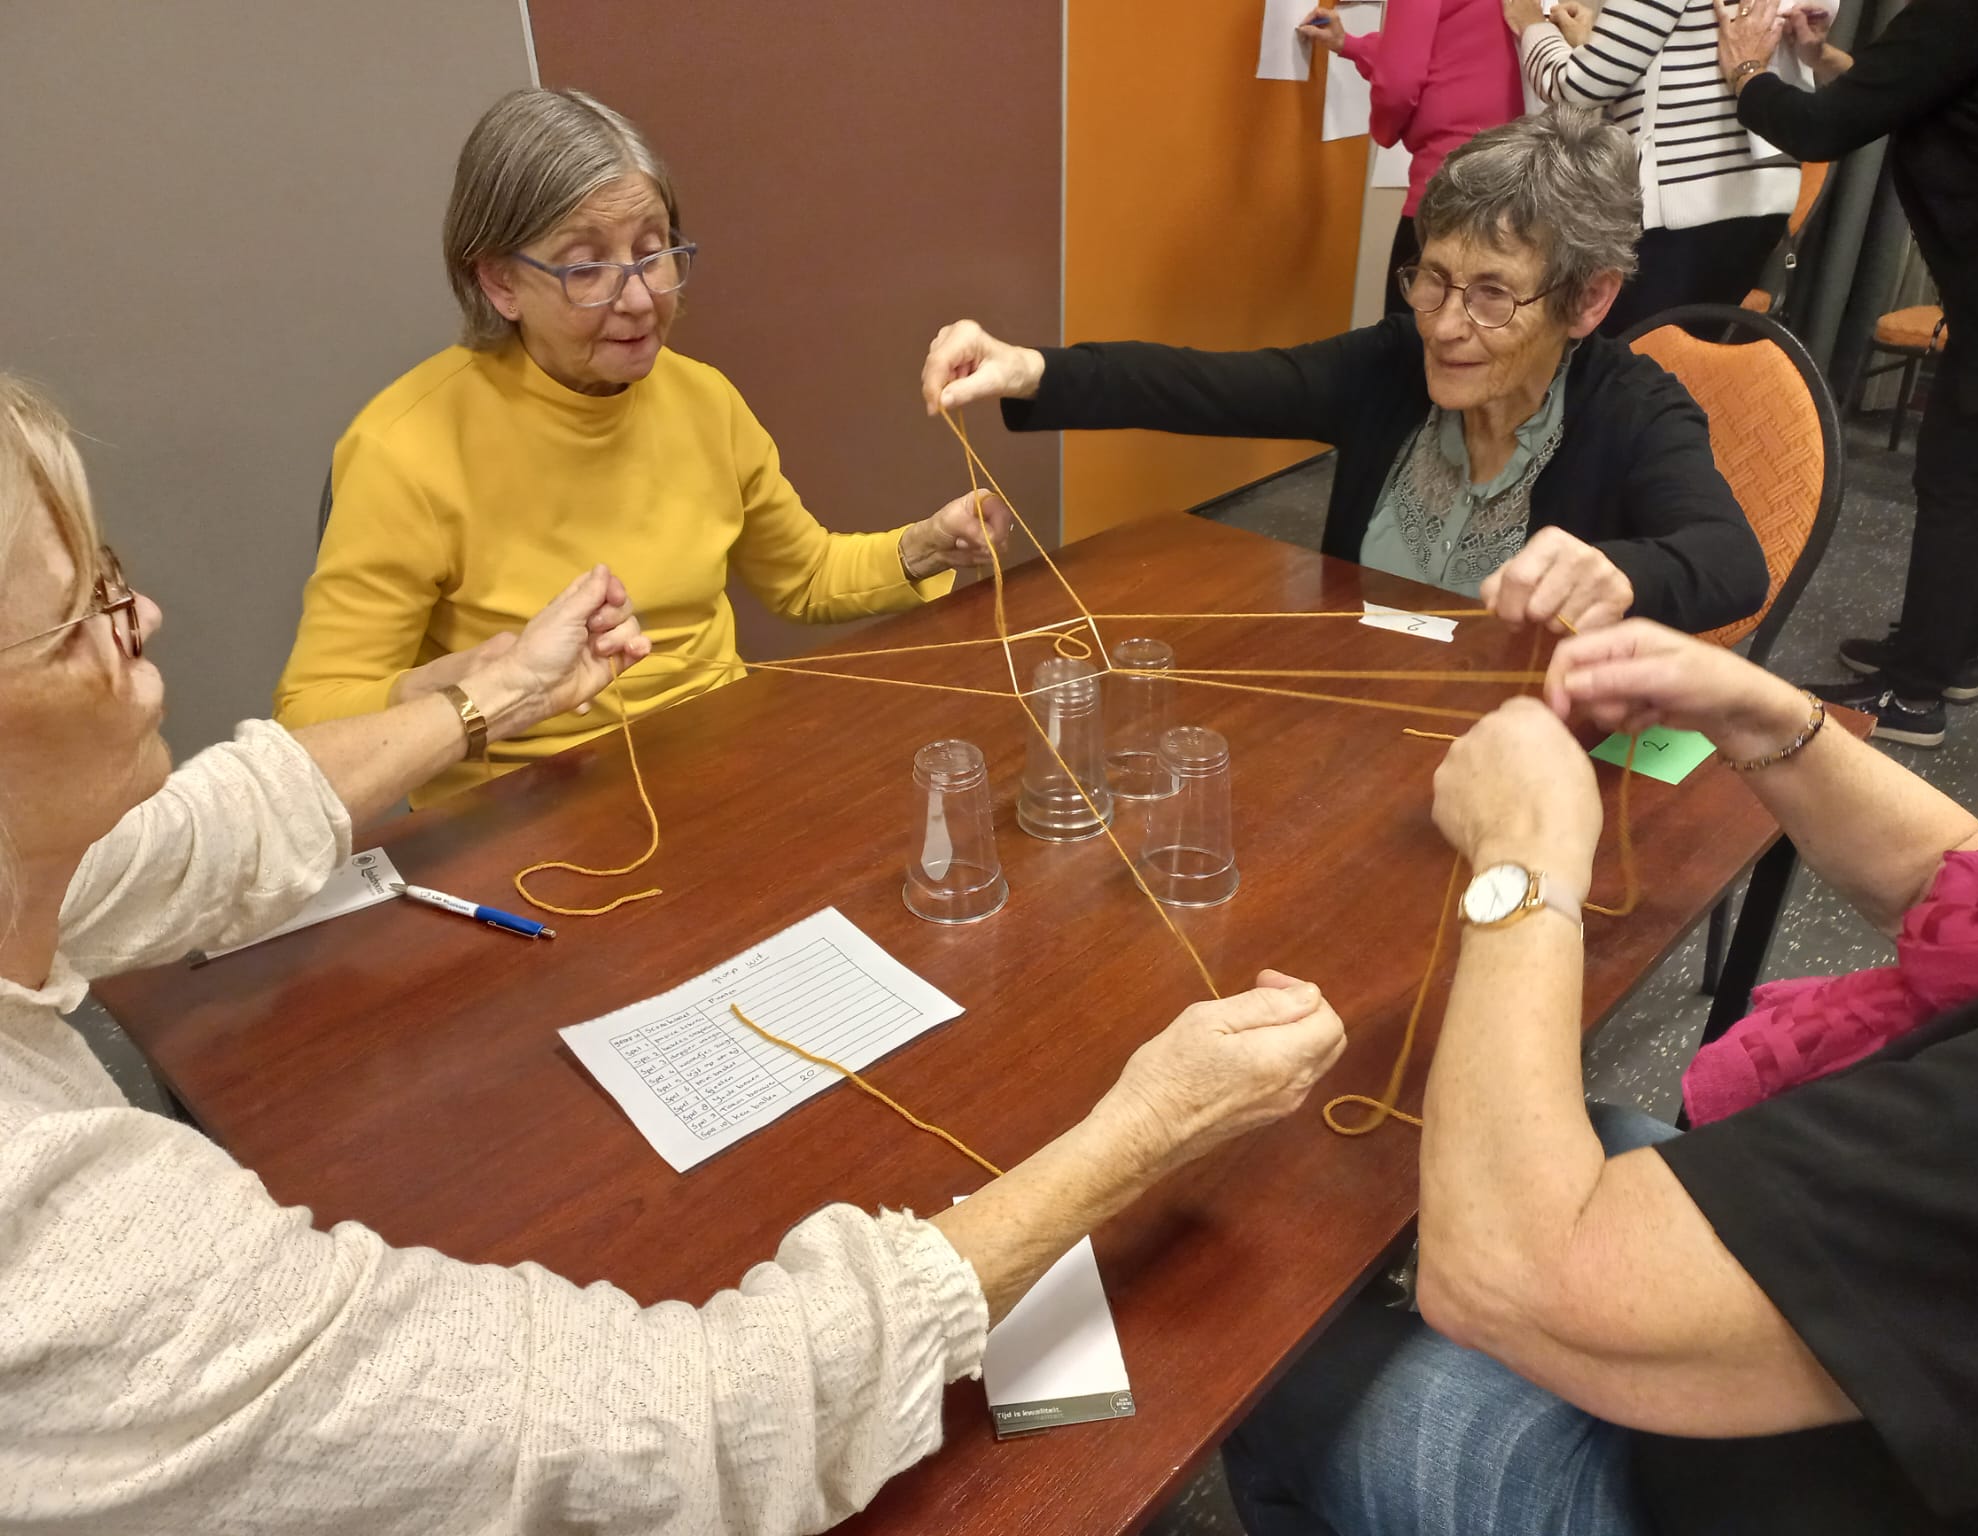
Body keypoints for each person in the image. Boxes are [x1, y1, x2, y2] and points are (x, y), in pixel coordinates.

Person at [0, 371, 1349, 1530]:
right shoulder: (64, 1252)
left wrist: (501, 687)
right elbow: (688, 1428)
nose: (146, 618)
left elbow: (213, 825)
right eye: (84, 614)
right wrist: (1143, 1134)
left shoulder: (37, 856)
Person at [1222, 536, 1978, 1532]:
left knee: (1264, 1365)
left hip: (1765, 1496)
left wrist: (1523, 861)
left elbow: (1508, 1279)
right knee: (1515, 1151)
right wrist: (1761, 714)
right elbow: (1970, 909)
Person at [274, 87, 1013, 808]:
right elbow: (311, 724)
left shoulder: (704, 400)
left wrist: (926, 546)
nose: (637, 298)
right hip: (517, 819)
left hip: (719, 770)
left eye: (652, 253)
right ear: (500, 282)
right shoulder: (404, 448)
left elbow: (806, 578)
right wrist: (478, 688)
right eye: (585, 267)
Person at [924, 111, 1768, 637]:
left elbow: (1731, 562)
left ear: (1587, 301)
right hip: (1353, 723)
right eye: (1434, 278)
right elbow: (1210, 385)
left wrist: (1622, 573)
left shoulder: (1634, 410)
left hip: (1528, 762)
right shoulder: (1392, 366)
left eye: (1492, 295)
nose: (1444, 324)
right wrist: (1029, 367)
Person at [1715, 0, 1978, 748]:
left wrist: (1745, 70)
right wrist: (1823, 59)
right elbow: (1924, 87)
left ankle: (1914, 691)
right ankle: (1954, 647)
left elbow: (1820, 130)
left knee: (1964, 474)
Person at [1510, 0, 1801, 335]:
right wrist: (1592, 47)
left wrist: (1531, 23)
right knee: (1671, 354)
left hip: (1687, 199)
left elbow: (1573, 87)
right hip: (1748, 190)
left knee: (1624, 351)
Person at [1298, 0, 1523, 318]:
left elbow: (1398, 84)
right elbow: (1450, 52)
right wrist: (1350, 44)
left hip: (1444, 191)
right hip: (1507, 189)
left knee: (1411, 336)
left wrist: (1384, 131)